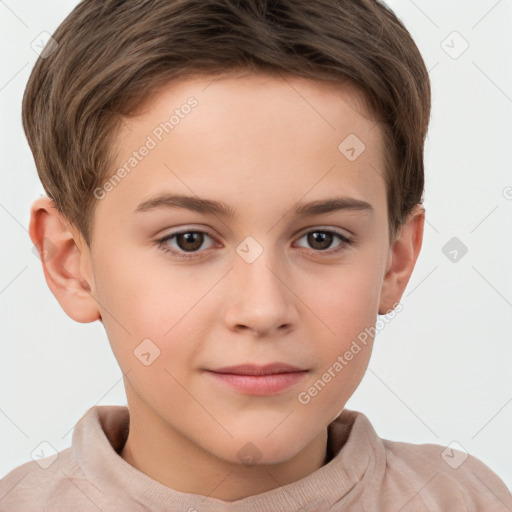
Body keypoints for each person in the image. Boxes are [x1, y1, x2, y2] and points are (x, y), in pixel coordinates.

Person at [1, 0, 511, 510]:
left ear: (396, 260)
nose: (263, 310)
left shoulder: (466, 499)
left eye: (321, 239)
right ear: (69, 262)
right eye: (189, 240)